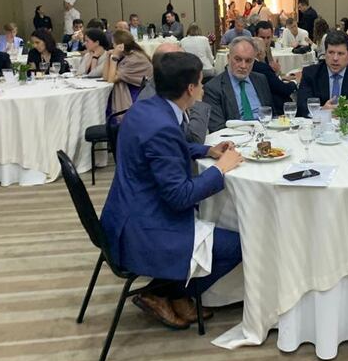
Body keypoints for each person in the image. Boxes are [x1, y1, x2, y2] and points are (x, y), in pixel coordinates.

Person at [100, 51, 244, 329]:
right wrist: (220, 169)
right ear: (190, 88)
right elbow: (179, 196)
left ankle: (173, 295)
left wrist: (206, 150)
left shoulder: (148, 108)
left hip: (125, 211)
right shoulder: (162, 126)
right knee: (239, 245)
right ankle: (164, 292)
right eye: (201, 83)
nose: (203, 88)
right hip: (146, 228)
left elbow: (164, 148)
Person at [137, 43, 211, 143]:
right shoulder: (151, 103)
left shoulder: (170, 92)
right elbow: (192, 140)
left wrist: (206, 150)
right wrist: (197, 100)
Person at [296, 30, 348, 117]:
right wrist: (322, 111)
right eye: (331, 52)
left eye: (340, 53)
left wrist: (347, 112)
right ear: (325, 53)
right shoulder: (310, 73)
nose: (335, 58)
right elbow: (302, 107)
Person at [204, 37, 274, 132]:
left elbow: (270, 113)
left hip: (265, 133)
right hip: (236, 139)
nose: (243, 66)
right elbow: (218, 129)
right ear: (228, 58)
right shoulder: (214, 88)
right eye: (238, 59)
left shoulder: (260, 79)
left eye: (248, 61)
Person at [102, 31, 154, 115]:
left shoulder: (134, 59)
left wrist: (114, 58)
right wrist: (108, 57)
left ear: (120, 46)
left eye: (113, 44)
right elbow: (105, 77)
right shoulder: (126, 56)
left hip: (135, 97)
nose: (113, 47)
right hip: (129, 92)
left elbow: (111, 80)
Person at [252, 37, 298, 116]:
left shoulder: (254, 66)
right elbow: (284, 89)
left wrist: (278, 76)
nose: (265, 52)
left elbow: (270, 81)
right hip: (274, 106)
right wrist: (295, 81)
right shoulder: (262, 67)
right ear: (259, 52)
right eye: (264, 50)